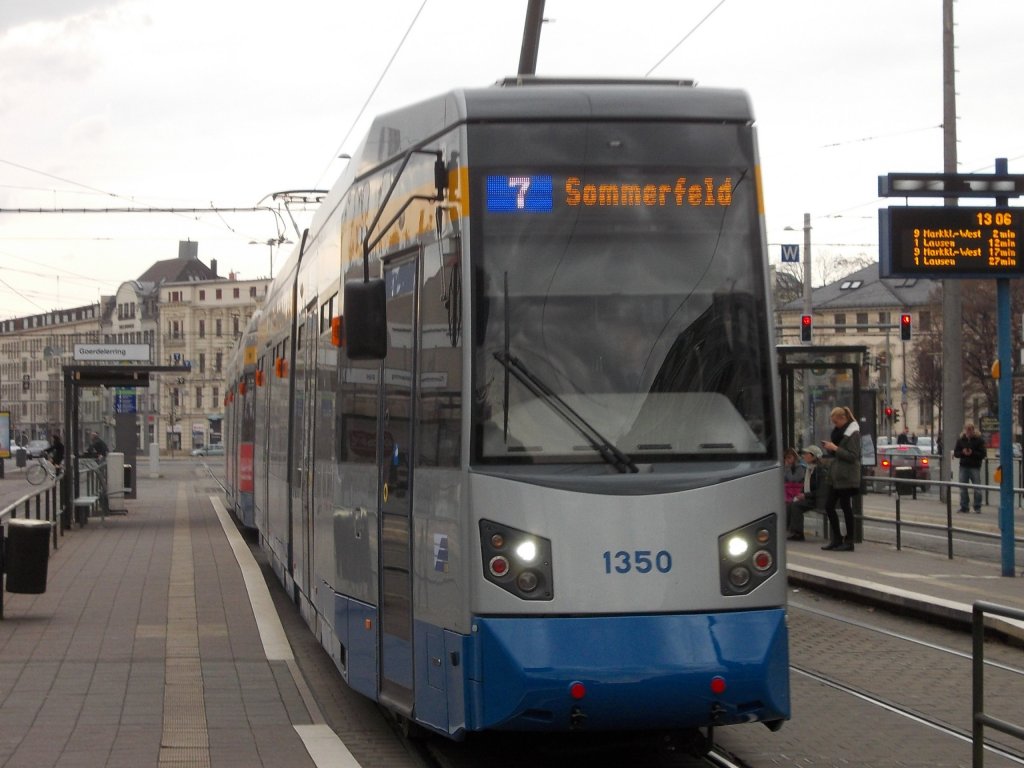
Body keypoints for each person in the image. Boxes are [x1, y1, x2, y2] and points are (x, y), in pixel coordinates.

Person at [821, 406, 862, 551]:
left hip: (847, 475)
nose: (834, 425)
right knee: (829, 506)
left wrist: (835, 448)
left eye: (836, 422)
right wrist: (831, 449)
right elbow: (839, 453)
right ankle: (837, 538)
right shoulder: (839, 432)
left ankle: (849, 540)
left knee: (845, 507)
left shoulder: (853, 433)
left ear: (843, 419)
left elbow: (853, 455)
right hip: (837, 475)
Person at [787, 445, 824, 541]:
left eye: (806, 454)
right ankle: (791, 531)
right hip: (809, 497)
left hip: (817, 499)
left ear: (813, 456)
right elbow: (806, 486)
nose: (804, 456)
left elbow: (822, 490)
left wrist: (805, 495)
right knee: (790, 504)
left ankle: (798, 533)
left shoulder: (819, 471)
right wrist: (801, 494)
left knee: (796, 506)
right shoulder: (809, 469)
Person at [953, 422, 986, 513]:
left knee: (977, 488)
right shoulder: (961, 440)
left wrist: (973, 453)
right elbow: (956, 453)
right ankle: (964, 506)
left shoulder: (979, 440)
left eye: (970, 429)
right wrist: (963, 453)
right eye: (967, 429)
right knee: (963, 487)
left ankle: (977, 506)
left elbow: (983, 454)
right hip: (964, 465)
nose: (968, 431)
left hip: (974, 466)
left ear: (973, 430)